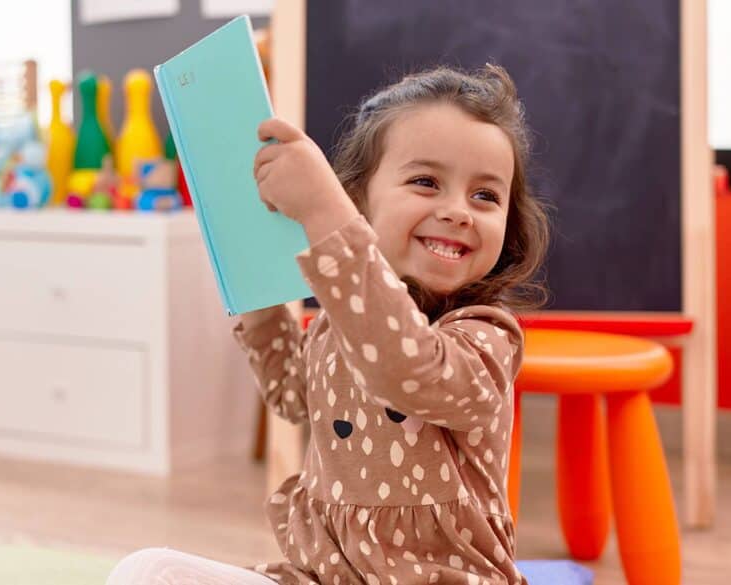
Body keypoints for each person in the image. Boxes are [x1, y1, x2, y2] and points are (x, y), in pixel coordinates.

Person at [108, 63, 551, 585]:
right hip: (325, 576)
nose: (459, 211)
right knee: (148, 571)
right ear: (359, 199)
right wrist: (252, 269)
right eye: (427, 182)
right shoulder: (338, 325)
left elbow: (407, 366)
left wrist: (323, 213)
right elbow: (290, 393)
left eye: (486, 196)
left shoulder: (485, 336)